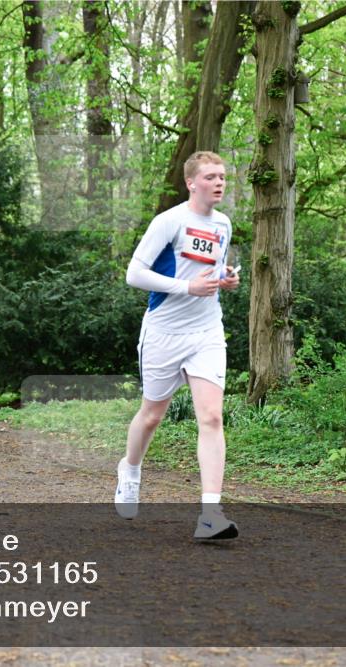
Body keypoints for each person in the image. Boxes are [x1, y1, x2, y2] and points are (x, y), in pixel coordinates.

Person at [115, 151, 242, 540]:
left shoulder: (223, 223)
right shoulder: (169, 221)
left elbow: (210, 268)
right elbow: (134, 274)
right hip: (164, 332)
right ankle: (131, 470)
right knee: (152, 415)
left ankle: (210, 514)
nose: (219, 182)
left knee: (211, 417)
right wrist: (186, 287)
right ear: (191, 183)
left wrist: (225, 278)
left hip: (205, 331)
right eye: (210, 177)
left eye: (222, 176)